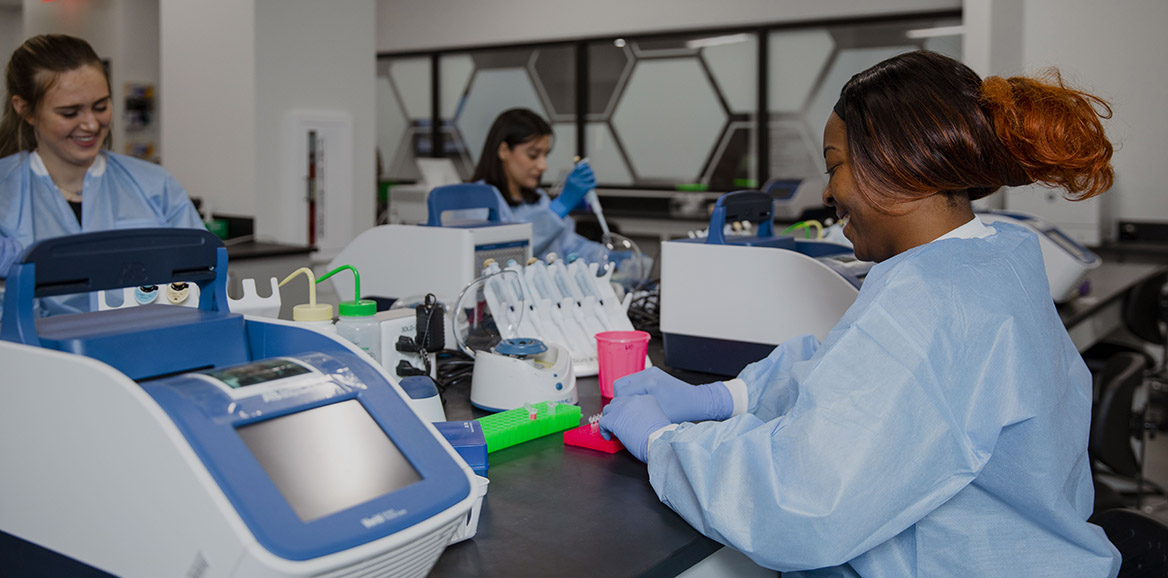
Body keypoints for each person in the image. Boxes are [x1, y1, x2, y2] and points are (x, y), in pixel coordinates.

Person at [600, 50, 1121, 577]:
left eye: (834, 166)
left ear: (897, 160)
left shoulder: (930, 303)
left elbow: (799, 504)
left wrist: (664, 443)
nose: (827, 192)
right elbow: (850, 381)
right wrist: (728, 396)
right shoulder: (991, 255)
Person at [0, 34, 203, 315]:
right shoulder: (5, 192)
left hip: (150, 348)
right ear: (25, 110)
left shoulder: (155, 186)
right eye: (70, 112)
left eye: (100, 107)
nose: (91, 124)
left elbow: (206, 278)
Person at [469, 108, 607, 263]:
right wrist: (560, 207)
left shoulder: (538, 199)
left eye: (545, 155)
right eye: (533, 155)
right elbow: (503, 254)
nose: (543, 166)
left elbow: (570, 246)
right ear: (504, 150)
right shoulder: (475, 201)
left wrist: (611, 258)